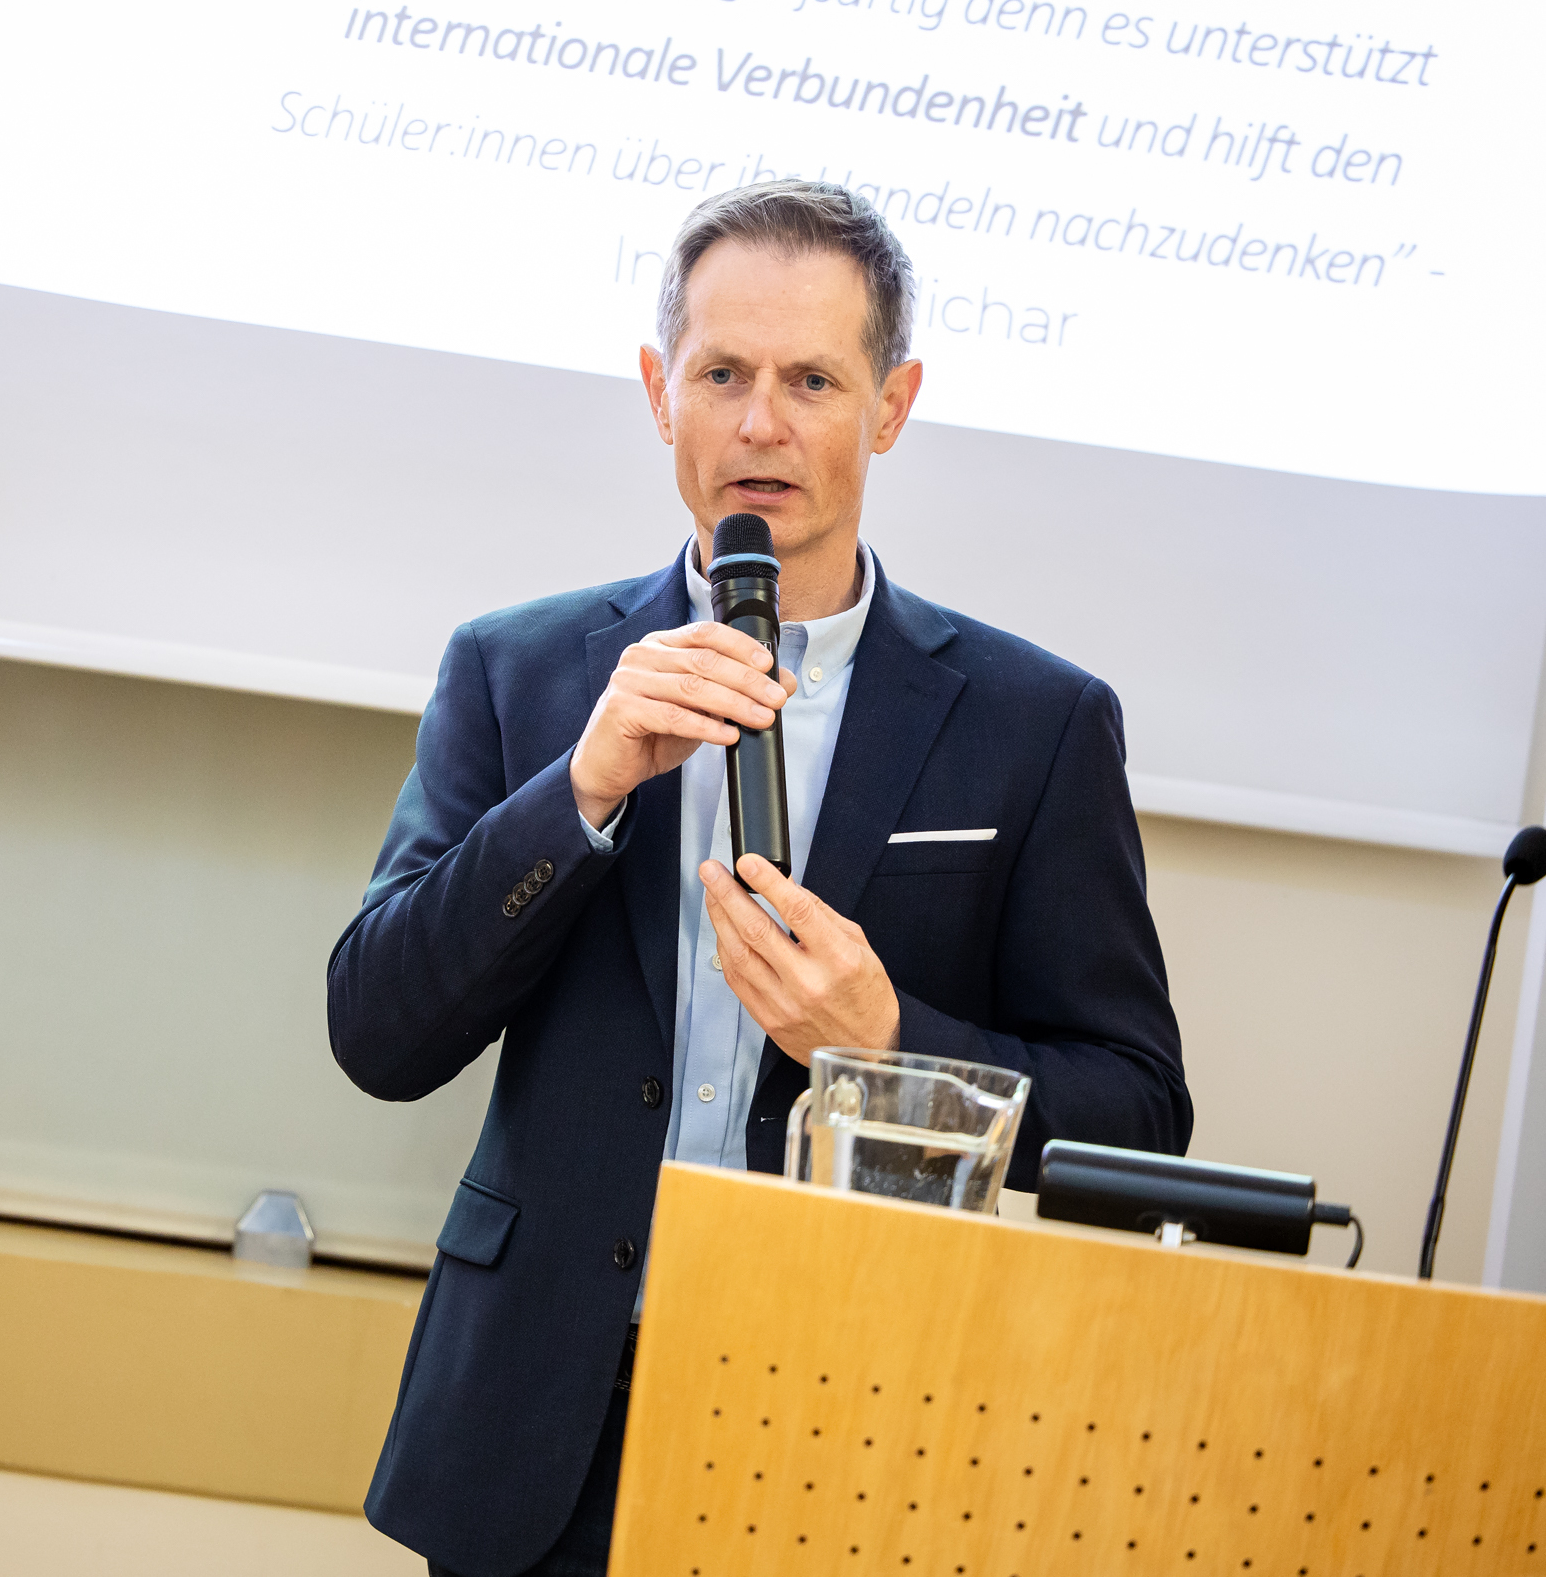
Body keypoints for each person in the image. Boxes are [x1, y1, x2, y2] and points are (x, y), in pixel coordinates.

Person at [327, 180, 1192, 1577]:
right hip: (538, 1430)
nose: (761, 425)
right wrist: (580, 790)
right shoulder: (521, 671)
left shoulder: (1035, 725)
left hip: (859, 1426)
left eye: (813, 381)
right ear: (659, 390)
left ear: (892, 406)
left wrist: (892, 1047)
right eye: (722, 374)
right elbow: (377, 1033)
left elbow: (1139, 1116)